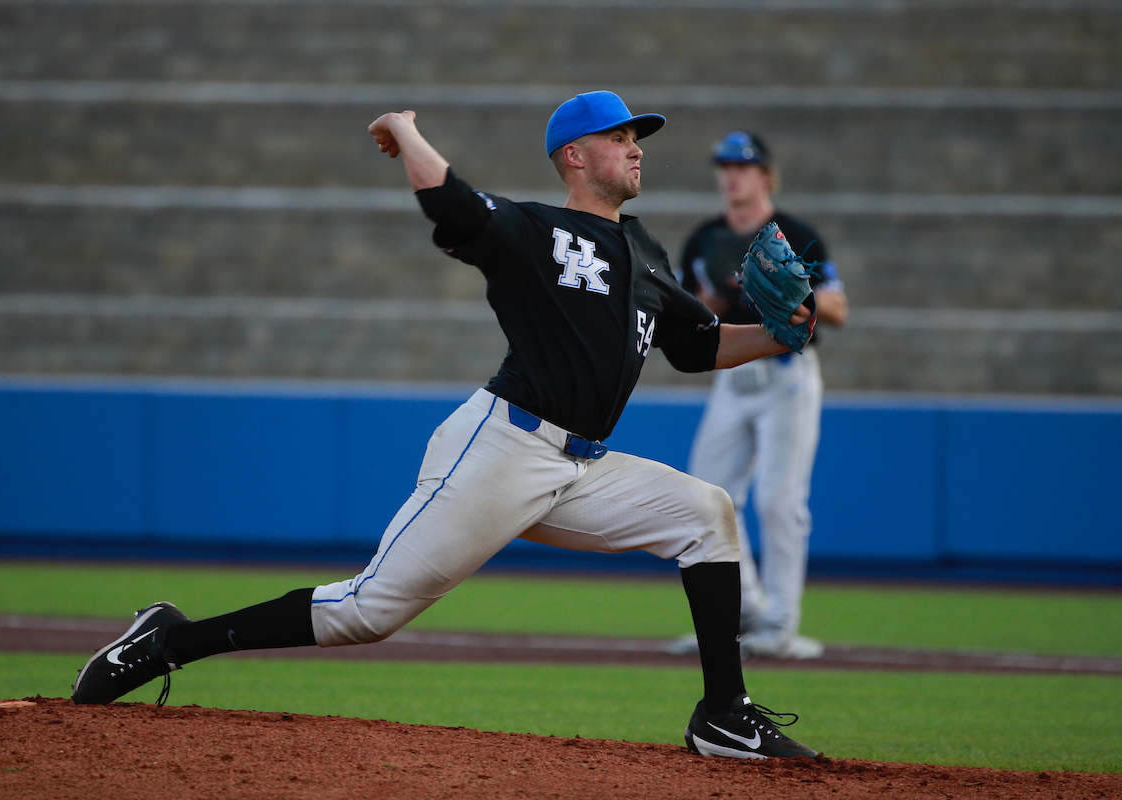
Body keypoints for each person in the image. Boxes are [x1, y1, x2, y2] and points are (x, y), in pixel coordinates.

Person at [70, 92, 819, 760]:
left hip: (581, 468)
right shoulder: (536, 232)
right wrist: (403, 128)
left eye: (638, 137)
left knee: (706, 513)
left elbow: (697, 347)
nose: (636, 147)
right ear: (575, 156)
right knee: (368, 612)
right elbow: (455, 206)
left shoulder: (649, 253)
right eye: (621, 136)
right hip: (503, 447)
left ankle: (723, 714)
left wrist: (780, 334)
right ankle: (172, 639)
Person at [671, 131, 848, 660]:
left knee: (779, 500)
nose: (732, 175)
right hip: (732, 375)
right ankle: (744, 609)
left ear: (766, 175)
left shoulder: (793, 233)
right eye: (725, 166)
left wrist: (802, 297)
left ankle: (781, 625)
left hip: (787, 375)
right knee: (707, 494)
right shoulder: (703, 238)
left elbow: (838, 309)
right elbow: (684, 308)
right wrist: (705, 302)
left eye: (743, 167)